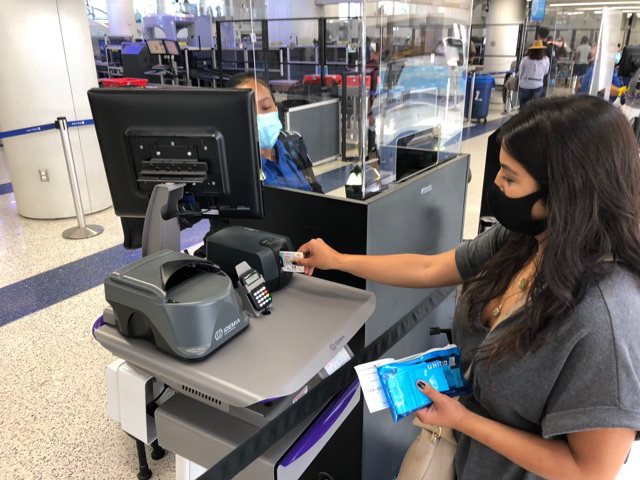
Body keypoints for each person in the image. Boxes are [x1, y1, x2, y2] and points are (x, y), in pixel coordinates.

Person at [295, 95, 640, 480]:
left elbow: (590, 470)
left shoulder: (606, 315)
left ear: (564, 194)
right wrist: (338, 260)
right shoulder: (524, 239)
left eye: (509, 178)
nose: (495, 183)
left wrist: (464, 421)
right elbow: (429, 267)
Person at [226, 72, 323, 194]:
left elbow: (316, 192)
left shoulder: (294, 145)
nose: (259, 117)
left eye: (266, 107)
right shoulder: (232, 169)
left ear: (275, 107)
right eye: (249, 111)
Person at [517, 40, 549, 107]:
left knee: (523, 106)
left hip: (524, 84)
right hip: (538, 84)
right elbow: (546, 71)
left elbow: (520, 72)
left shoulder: (525, 59)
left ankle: (523, 116)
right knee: (534, 107)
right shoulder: (546, 60)